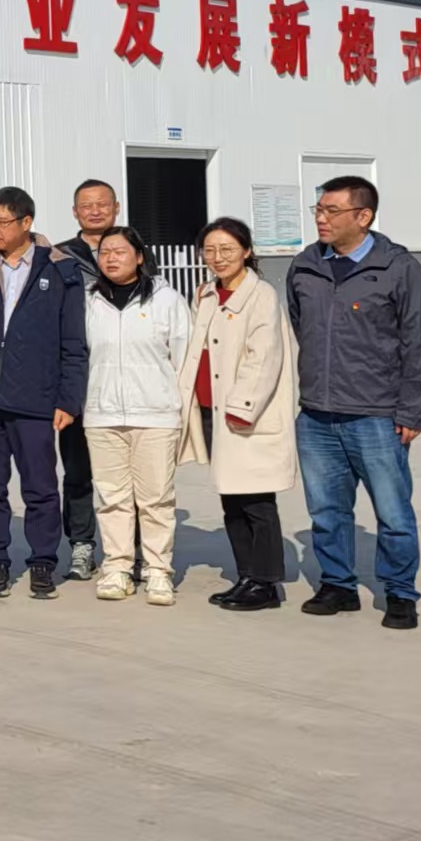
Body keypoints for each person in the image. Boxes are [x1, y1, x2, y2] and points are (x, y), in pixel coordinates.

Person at [286, 176, 421, 630]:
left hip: (377, 416)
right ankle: (338, 585)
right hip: (317, 415)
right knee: (326, 511)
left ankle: (400, 593)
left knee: (393, 513)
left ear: (363, 216)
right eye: (318, 209)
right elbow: (301, 327)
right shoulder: (305, 265)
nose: (321, 217)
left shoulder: (397, 267)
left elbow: (420, 345)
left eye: (331, 210)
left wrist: (412, 411)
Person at [0, 187, 88, 600]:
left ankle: (43, 562)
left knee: (40, 488)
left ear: (26, 222)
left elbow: (73, 341)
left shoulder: (60, 269)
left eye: (2, 222)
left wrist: (68, 399)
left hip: (36, 401)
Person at [175, 218, 301, 613]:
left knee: (256, 501)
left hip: (245, 416)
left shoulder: (260, 295)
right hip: (212, 411)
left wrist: (243, 407)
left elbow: (264, 357)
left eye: (227, 249)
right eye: (210, 250)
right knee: (231, 497)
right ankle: (247, 576)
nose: (218, 257)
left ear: (246, 251)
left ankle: (265, 582)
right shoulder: (207, 294)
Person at [78, 226, 191, 605]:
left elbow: (184, 358)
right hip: (103, 415)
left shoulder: (167, 299)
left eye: (120, 251)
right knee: (111, 497)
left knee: (156, 498)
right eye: (104, 252)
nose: (111, 258)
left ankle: (158, 571)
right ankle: (118, 568)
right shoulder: (89, 301)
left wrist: (178, 407)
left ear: (140, 257)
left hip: (155, 415)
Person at [54, 179, 121, 579]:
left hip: (123, 377)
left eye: (102, 204)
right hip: (77, 377)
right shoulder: (60, 257)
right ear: (75, 212)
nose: (95, 211)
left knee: (123, 471)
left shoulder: (134, 250)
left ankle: (126, 548)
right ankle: (82, 544)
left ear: (116, 207)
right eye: (86, 205)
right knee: (78, 470)